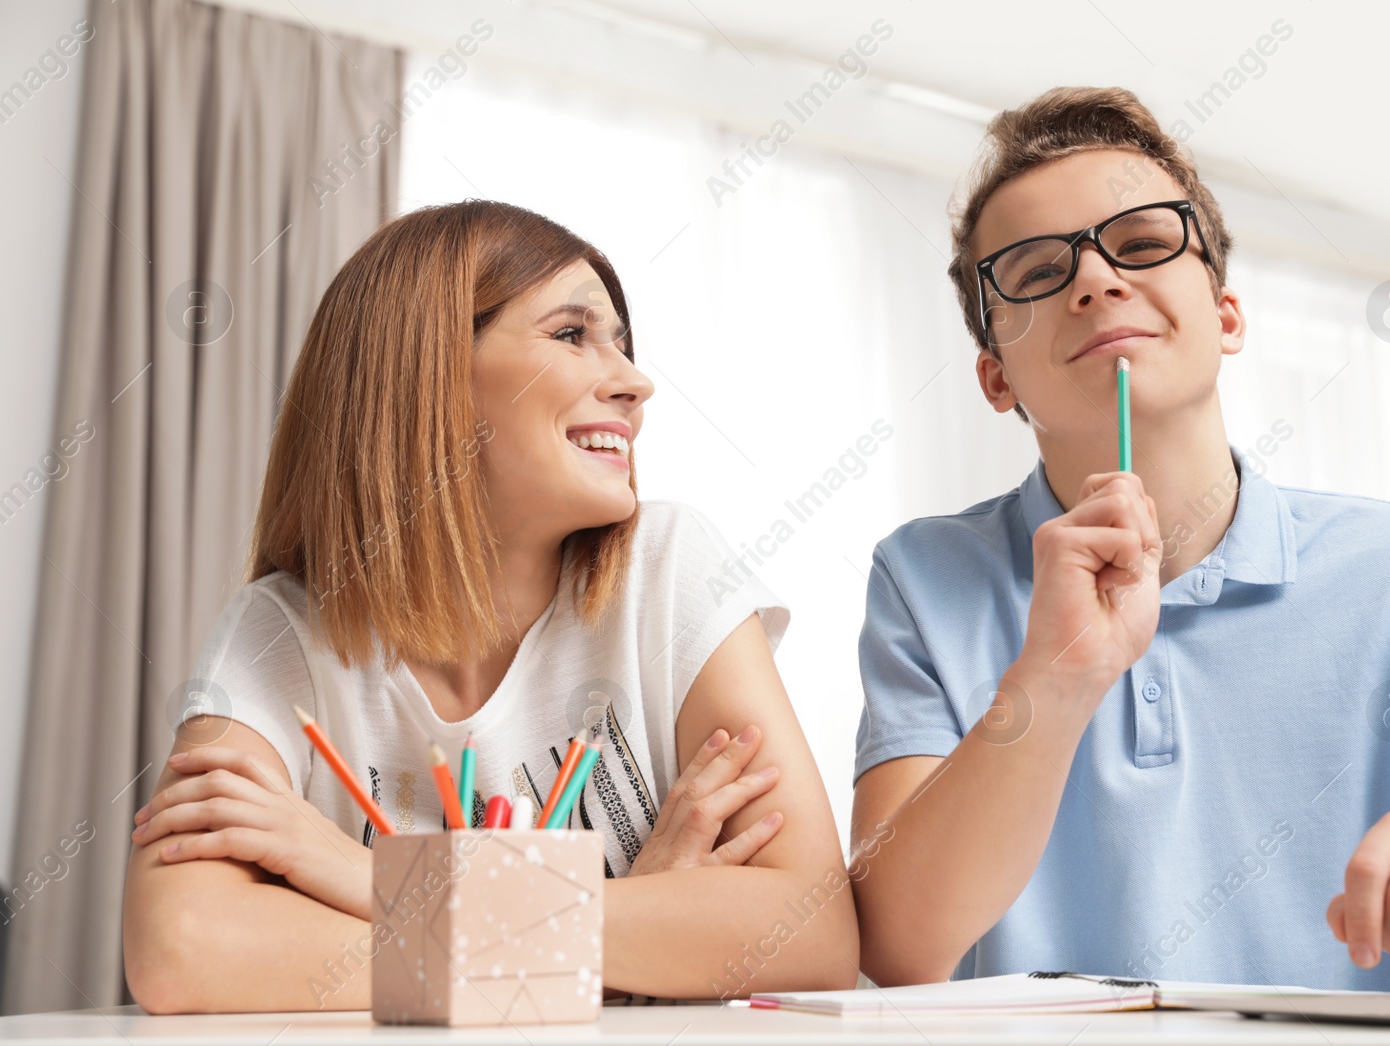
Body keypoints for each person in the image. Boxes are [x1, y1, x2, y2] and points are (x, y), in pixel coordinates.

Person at [122, 200, 858, 1012]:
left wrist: (376, 881)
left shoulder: (673, 569)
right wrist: (619, 940)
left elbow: (810, 928)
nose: (635, 382)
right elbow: (182, 949)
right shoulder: (281, 632)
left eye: (621, 340)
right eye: (573, 334)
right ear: (427, 372)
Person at [849, 87, 1390, 991]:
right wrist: (1056, 676)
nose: (1097, 280)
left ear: (1226, 317)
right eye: (1034, 271)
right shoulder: (923, 578)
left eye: (1143, 245)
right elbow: (897, 945)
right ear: (997, 379)